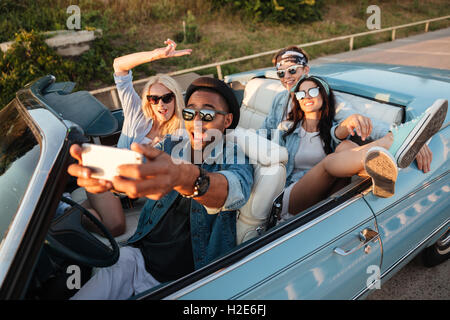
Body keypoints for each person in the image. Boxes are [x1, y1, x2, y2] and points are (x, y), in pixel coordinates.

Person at [66, 77, 254, 299]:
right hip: (137, 258)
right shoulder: (170, 145)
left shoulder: (235, 156)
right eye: (190, 112)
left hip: (185, 283)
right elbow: (137, 166)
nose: (197, 121)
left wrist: (186, 178)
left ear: (227, 120)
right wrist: (111, 174)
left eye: (208, 114)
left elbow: (233, 188)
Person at [268, 75, 447, 221]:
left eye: (313, 91)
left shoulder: (330, 130)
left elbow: (340, 131)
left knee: (346, 145)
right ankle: (394, 141)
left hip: (323, 198)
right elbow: (269, 156)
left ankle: (380, 175)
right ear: (297, 101)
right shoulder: (286, 129)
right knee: (328, 162)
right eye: (301, 94)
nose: (306, 96)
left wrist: (351, 122)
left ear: (323, 95)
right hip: (291, 198)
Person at [260, 46, 434, 174]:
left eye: (291, 70)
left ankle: (397, 142)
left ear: (306, 70)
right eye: (281, 73)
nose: (287, 77)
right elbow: (265, 130)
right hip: (277, 168)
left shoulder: (323, 99)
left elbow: (356, 119)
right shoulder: (280, 100)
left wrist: (403, 138)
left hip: (308, 172)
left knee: (346, 146)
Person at [79, 39, 191, 236]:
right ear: (148, 101)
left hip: (127, 193)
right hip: (105, 174)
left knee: (95, 211)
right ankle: (73, 217)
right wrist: (156, 55)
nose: (160, 105)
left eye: (167, 98)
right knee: (115, 227)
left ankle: (76, 211)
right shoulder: (137, 115)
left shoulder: (180, 133)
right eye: (154, 99)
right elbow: (119, 66)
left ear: (175, 98)